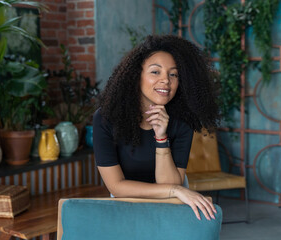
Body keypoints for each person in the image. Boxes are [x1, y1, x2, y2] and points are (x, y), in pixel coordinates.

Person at [93, 35, 220, 221]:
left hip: (172, 203)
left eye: (173, 74)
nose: (166, 81)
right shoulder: (106, 119)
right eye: (155, 72)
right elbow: (116, 187)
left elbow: (169, 184)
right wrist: (177, 189)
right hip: (128, 202)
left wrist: (161, 138)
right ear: (136, 76)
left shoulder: (182, 121)